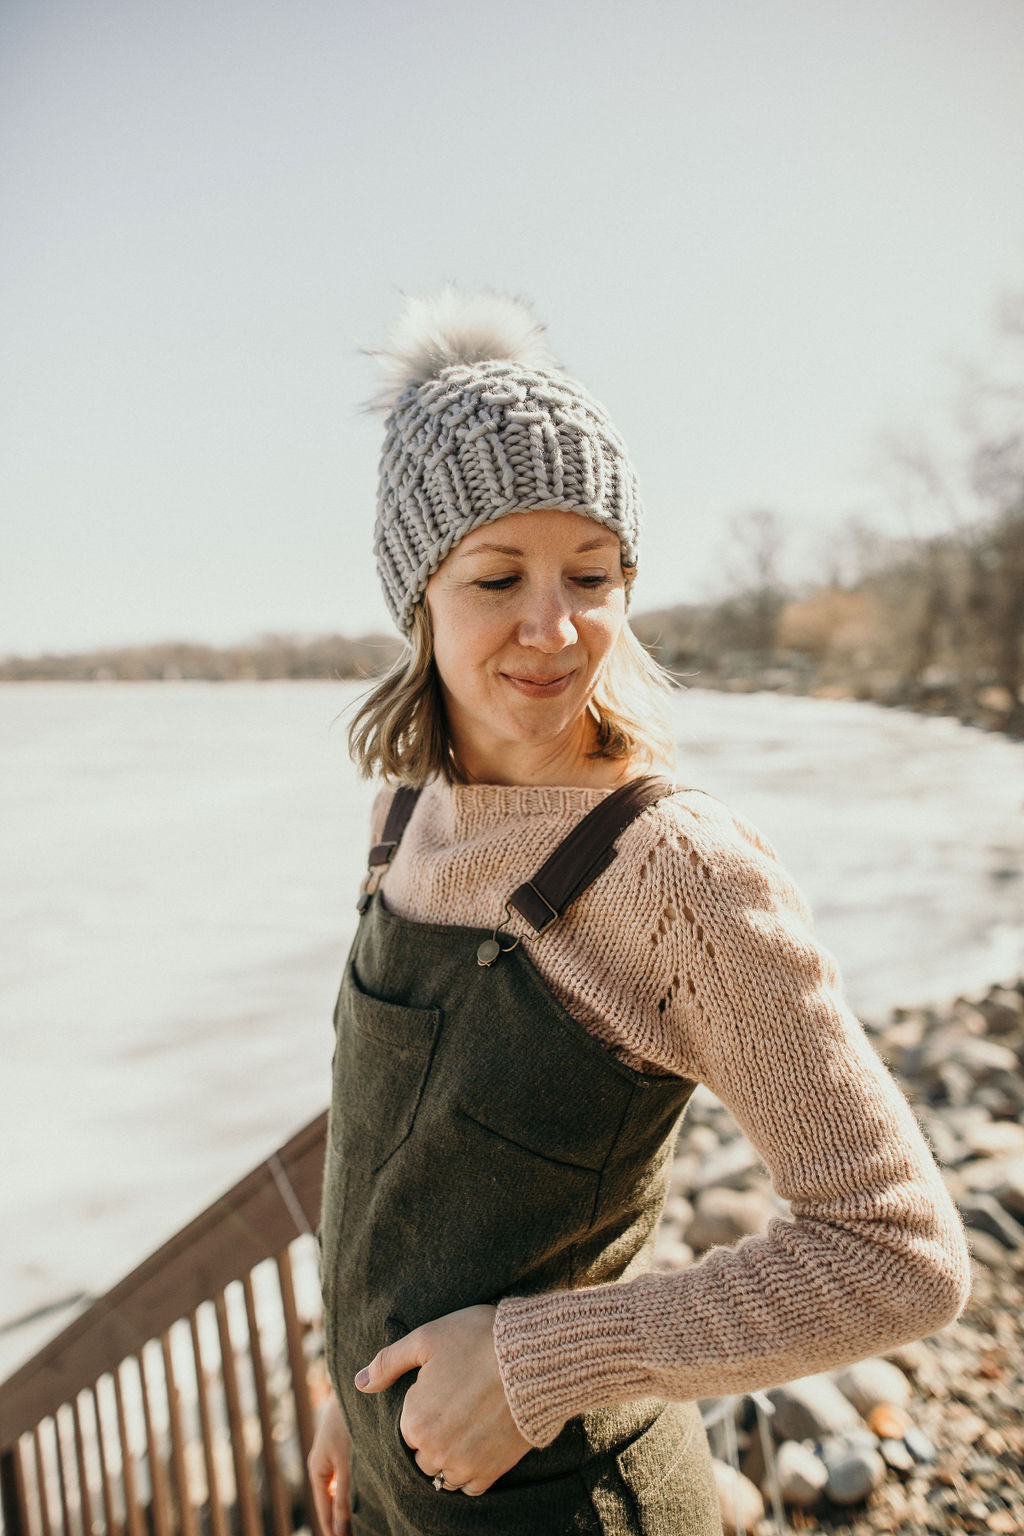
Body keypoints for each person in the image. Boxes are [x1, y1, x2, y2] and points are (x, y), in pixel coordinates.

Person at [308, 286, 970, 1536]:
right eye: (497, 576)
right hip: (404, 1488)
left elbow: (901, 1256)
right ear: (418, 599)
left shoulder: (676, 875)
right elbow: (375, 1147)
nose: (553, 628)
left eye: (593, 575)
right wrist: (331, 1375)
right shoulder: (405, 816)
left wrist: (540, 1362)